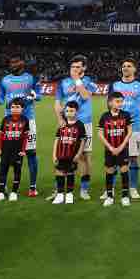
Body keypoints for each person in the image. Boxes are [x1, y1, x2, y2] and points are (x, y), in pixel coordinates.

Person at [0, 54, 43, 197]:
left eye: (15, 61)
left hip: (28, 120)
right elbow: (2, 97)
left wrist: (33, 96)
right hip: (9, 122)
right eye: (11, 62)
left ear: (22, 63)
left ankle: (32, 187)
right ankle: (2, 188)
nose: (12, 64)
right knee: (5, 154)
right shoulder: (5, 79)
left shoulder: (31, 77)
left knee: (31, 153)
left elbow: (39, 95)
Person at [55, 56, 97, 200]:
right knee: (62, 155)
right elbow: (57, 103)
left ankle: (84, 189)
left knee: (85, 156)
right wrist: (60, 119)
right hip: (67, 123)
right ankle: (59, 190)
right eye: (73, 67)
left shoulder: (89, 81)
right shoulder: (63, 82)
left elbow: (85, 96)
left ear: (84, 68)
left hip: (84, 122)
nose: (75, 69)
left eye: (78, 67)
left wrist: (77, 80)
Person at [110, 58, 140, 200]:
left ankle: (132, 188)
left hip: (135, 127)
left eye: (129, 66)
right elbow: (110, 105)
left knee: (133, 157)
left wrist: (134, 119)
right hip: (116, 127)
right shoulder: (114, 85)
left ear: (134, 69)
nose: (126, 68)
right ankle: (111, 188)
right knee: (114, 157)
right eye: (124, 66)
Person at [98, 91, 133, 207]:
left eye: (121, 102)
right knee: (109, 172)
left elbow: (129, 131)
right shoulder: (104, 116)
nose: (120, 104)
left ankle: (125, 196)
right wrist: (110, 147)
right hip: (110, 150)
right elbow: (100, 134)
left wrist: (121, 146)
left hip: (123, 149)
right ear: (110, 103)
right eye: (117, 101)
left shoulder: (126, 115)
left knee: (124, 171)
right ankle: (109, 196)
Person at [0, 97, 30, 202]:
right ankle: (1, 192)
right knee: (2, 171)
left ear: (22, 108)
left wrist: (23, 150)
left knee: (17, 171)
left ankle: (14, 192)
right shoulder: (5, 119)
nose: (14, 109)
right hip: (5, 150)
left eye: (17, 107)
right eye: (12, 107)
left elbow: (25, 137)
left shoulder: (25, 120)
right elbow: (0, 136)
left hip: (18, 151)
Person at [52, 101, 85, 205]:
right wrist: (54, 154)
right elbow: (57, 139)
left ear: (76, 112)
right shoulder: (62, 124)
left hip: (72, 154)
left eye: (71, 111)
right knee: (59, 172)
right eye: (67, 111)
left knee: (70, 172)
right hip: (61, 153)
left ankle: (69, 194)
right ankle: (60, 194)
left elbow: (83, 141)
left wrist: (79, 154)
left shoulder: (80, 125)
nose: (69, 113)